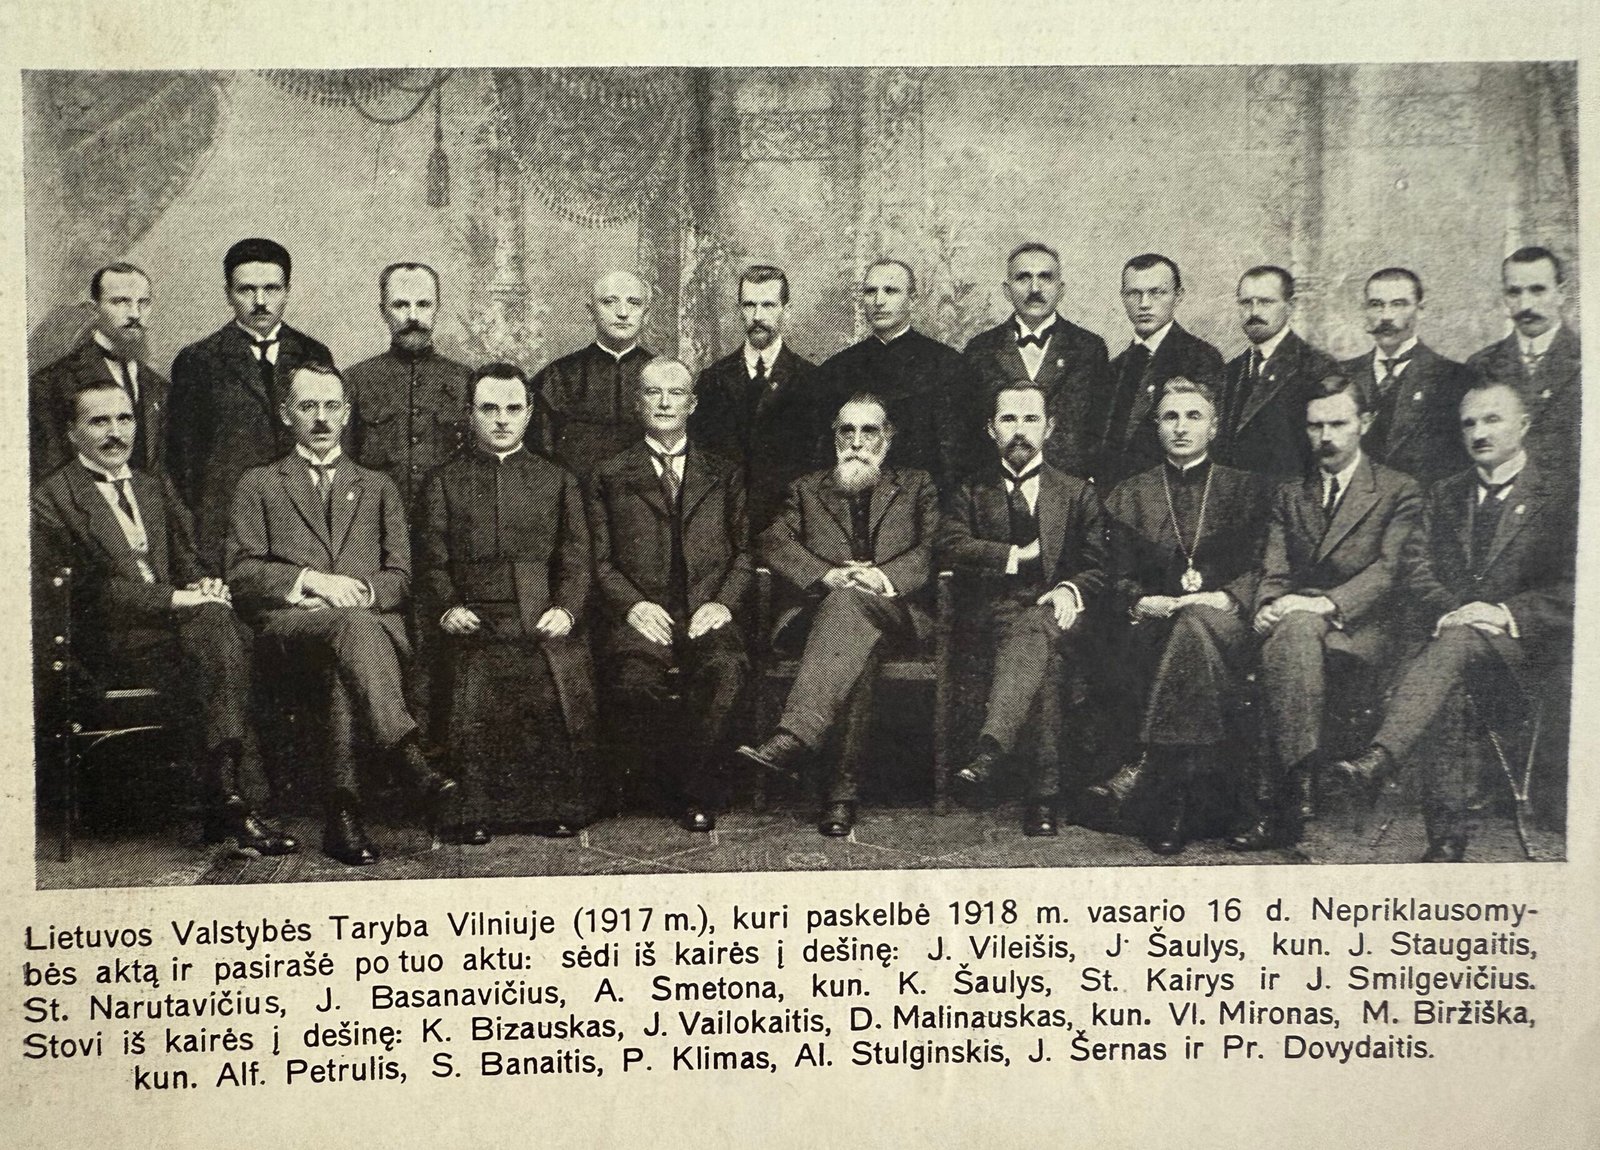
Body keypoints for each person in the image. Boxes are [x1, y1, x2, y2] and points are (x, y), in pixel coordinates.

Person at [32, 378, 295, 855]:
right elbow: (90, 593)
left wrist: (204, 585)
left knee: (224, 630)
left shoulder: (152, 486)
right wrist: (180, 599)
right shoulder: (50, 499)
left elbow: (187, 558)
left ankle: (228, 798)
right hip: (104, 644)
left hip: (178, 636)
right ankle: (232, 799)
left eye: (124, 419)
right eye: (99, 421)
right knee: (223, 639)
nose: (116, 433)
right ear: (72, 432)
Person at [1330, 381, 1574, 861]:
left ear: (1524, 425)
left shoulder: (1562, 495)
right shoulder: (1445, 494)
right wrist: (1454, 611)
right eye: (1469, 423)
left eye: (1493, 419)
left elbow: (1578, 586)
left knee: (1450, 653)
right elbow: (1415, 568)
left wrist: (1503, 613)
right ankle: (1444, 838)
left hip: (1527, 664)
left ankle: (1381, 759)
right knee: (1452, 664)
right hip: (1452, 652)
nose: (1479, 432)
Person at [226, 362, 451, 866]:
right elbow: (241, 573)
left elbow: (401, 577)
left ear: (347, 414)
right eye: (308, 407)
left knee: (343, 662)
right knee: (351, 632)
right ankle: (408, 757)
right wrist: (313, 582)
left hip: (363, 631)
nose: (321, 418)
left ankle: (342, 814)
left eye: (331, 406)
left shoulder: (378, 486)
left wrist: (357, 594)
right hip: (291, 630)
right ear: (286, 414)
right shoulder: (258, 483)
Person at [1233, 374, 1422, 851]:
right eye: (1315, 426)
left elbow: (1390, 571)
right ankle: (1300, 787)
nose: (1326, 437)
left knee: (1292, 633)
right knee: (1291, 632)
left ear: (1365, 422)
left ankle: (1282, 797)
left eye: (1338, 424)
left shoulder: (1398, 489)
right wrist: (1267, 607)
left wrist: (1324, 604)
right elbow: (1273, 568)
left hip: (1362, 626)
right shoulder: (1290, 493)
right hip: (1296, 624)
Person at [736, 394, 940, 836]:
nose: (857, 442)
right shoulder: (807, 489)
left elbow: (932, 547)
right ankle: (840, 798)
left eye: (869, 431)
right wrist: (826, 575)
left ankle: (795, 735)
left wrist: (881, 578)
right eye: (847, 431)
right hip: (822, 617)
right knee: (855, 640)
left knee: (851, 609)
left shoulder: (916, 485)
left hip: (896, 613)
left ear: (888, 438)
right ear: (834, 438)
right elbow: (772, 540)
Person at [417, 363, 597, 843]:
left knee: (549, 679)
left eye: (513, 409)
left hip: (541, 613)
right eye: (489, 409)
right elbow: (431, 561)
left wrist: (566, 609)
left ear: (530, 413)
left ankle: (553, 807)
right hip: (473, 618)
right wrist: (448, 608)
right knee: (474, 684)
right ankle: (473, 811)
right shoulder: (443, 481)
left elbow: (578, 559)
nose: (501, 419)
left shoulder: (557, 479)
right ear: (469, 413)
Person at [1098, 379, 1269, 854]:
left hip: (1227, 626)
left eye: (1194, 416)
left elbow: (1266, 564)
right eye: (1170, 417)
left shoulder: (1247, 489)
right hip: (1155, 626)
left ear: (1213, 427)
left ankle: (1162, 782)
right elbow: (1114, 574)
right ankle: (1198, 793)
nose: (1181, 427)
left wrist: (1229, 598)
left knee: (1194, 623)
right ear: (1156, 427)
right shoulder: (1131, 493)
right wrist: (1138, 601)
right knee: (1184, 628)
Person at [938, 382, 1109, 836]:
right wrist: (1017, 555)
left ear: (1049, 428)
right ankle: (1043, 799)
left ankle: (991, 750)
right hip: (991, 618)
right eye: (1008, 419)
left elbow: (1099, 565)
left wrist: (1070, 588)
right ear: (990, 428)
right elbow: (950, 545)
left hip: (1060, 615)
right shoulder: (969, 490)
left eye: (1031, 419)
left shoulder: (1077, 492)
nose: (1020, 430)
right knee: (1045, 663)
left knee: (1039, 629)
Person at [589, 359, 751, 832]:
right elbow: (598, 560)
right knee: (634, 681)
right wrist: (633, 606)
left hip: (706, 610)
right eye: (652, 393)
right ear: (638, 404)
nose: (664, 403)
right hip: (643, 613)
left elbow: (745, 552)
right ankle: (660, 784)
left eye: (675, 393)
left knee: (726, 670)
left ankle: (695, 793)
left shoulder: (724, 473)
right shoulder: (608, 474)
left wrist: (722, 603)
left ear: (692, 404)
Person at [168, 238, 335, 567]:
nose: (260, 301)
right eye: (247, 290)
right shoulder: (198, 360)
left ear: (287, 291)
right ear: (228, 293)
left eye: (272, 289)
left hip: (302, 525)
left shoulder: (313, 354)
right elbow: (183, 465)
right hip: (230, 529)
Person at [689, 265, 822, 540]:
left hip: (791, 531)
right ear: (739, 309)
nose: (758, 316)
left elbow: (819, 471)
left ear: (786, 310)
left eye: (768, 305)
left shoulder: (811, 382)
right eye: (749, 305)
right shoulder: (712, 380)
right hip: (723, 529)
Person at [958, 242, 1110, 480]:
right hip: (998, 487)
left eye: (1045, 278)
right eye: (1023, 278)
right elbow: (968, 434)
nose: (1035, 288)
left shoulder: (1090, 348)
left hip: (1068, 488)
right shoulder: (980, 350)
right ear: (1007, 290)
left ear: (1061, 289)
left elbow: (1099, 430)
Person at [811, 259, 965, 492]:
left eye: (890, 291)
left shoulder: (947, 364)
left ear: (912, 300)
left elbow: (955, 457)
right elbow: (823, 454)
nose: (878, 301)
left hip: (925, 500)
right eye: (870, 292)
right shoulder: (836, 369)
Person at [1089, 253, 1224, 488]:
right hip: (1112, 495)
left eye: (1156, 293)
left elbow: (1208, 441)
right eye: (1134, 293)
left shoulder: (1201, 358)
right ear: (1122, 297)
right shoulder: (1114, 367)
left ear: (1178, 296)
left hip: (1171, 491)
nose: (1144, 304)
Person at [346, 262, 472, 510]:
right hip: (375, 520)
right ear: (383, 312)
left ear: (437, 308)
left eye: (423, 304)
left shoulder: (465, 381)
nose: (413, 317)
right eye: (400, 305)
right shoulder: (355, 381)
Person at [31, 263, 169, 481]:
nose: (135, 314)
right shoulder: (51, 384)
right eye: (120, 302)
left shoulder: (160, 387)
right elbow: (50, 477)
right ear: (94, 309)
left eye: (143, 303)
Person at [1338, 266, 1471, 486]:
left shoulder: (1456, 378)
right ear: (1364, 310)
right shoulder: (1340, 375)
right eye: (1376, 305)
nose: (1386, 316)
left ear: (1421, 310)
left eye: (1398, 304)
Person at [1464, 246, 1581, 490]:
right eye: (1514, 292)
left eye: (1538, 290)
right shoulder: (1481, 365)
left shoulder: (1588, 360)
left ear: (1561, 293)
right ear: (1504, 297)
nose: (1525, 304)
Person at [1217, 265, 1339, 480]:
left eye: (1265, 302)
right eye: (1246, 303)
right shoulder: (1230, 371)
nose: (1254, 312)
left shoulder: (1317, 367)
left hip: (1289, 496)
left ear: (1290, 306)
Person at [533, 270, 655, 478]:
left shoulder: (663, 375)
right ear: (591, 312)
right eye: (609, 302)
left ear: (646, 314)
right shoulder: (558, 376)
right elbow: (539, 456)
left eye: (634, 303)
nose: (623, 313)